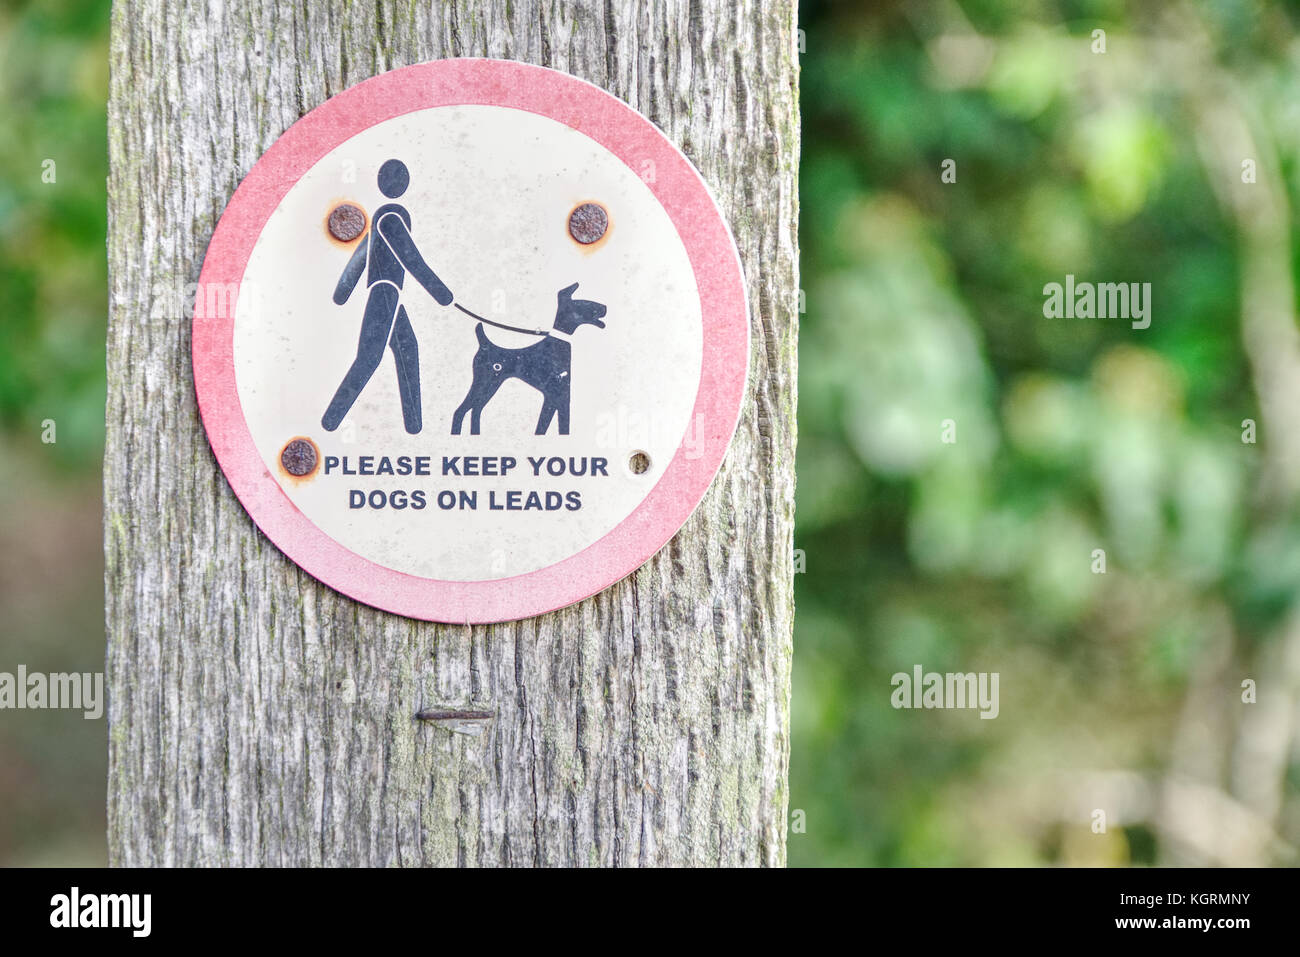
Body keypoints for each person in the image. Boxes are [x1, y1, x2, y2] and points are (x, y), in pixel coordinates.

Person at [322, 158, 453, 435]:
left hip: (387, 293)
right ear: (401, 184)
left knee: (408, 349)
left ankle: (415, 426)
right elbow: (410, 258)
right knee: (369, 359)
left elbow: (361, 256)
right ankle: (330, 422)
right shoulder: (392, 218)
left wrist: (343, 292)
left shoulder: (381, 215)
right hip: (386, 292)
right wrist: (442, 294)